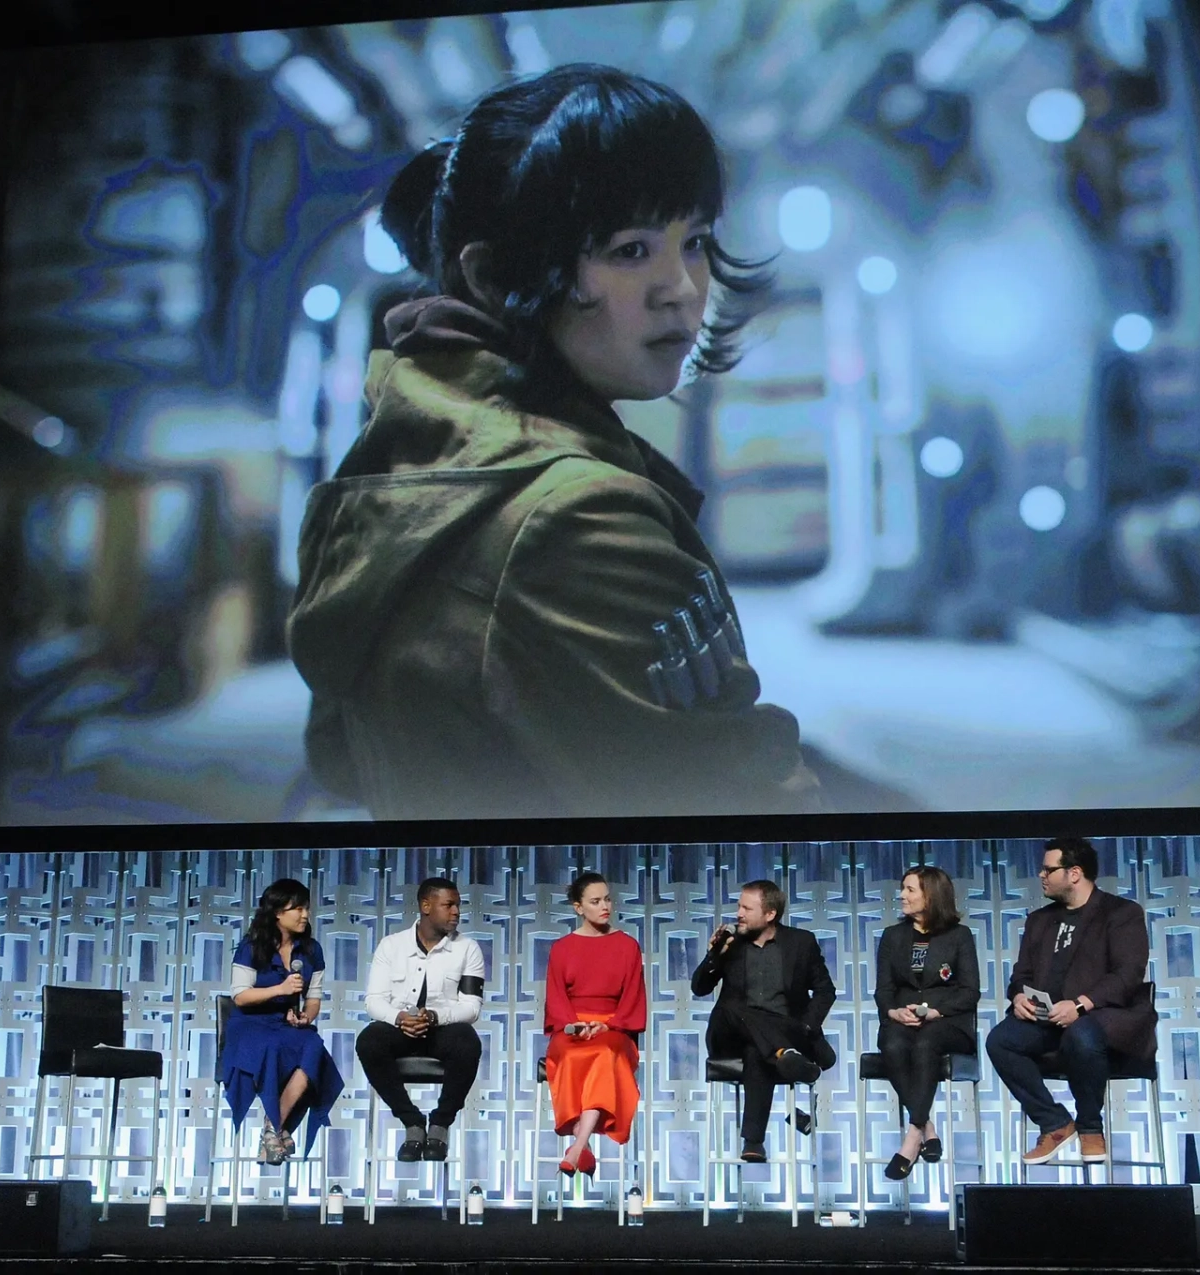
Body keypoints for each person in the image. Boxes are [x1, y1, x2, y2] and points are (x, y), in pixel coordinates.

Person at [286, 63, 820, 821]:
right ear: (499, 277)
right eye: (631, 250)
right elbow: (743, 821)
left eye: (694, 240)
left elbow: (338, 756)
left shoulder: (400, 456)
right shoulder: (573, 520)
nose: (683, 286)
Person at [984, 836, 1157, 1165]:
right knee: (1001, 1040)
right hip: (1049, 1019)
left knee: (1082, 1034)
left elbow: (1128, 974)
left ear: (1075, 873)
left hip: (1106, 1019)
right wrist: (1019, 995)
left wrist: (1080, 1004)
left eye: (1049, 869)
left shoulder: (1121, 913)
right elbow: (1021, 974)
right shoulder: (1040, 920)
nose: (1042, 876)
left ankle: (1091, 1125)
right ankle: (1055, 1123)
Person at [690, 879, 836, 1162]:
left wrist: (806, 1027)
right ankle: (785, 1053)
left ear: (770, 914)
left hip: (781, 1032)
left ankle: (753, 1141)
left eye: (747, 908)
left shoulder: (800, 942)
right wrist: (713, 956)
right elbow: (699, 988)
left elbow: (824, 990)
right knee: (731, 1009)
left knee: (757, 1050)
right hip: (729, 1033)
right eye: (739, 906)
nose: (739, 913)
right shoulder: (730, 943)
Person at [355, 877, 487, 1163]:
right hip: (400, 1029)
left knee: (467, 1041)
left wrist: (437, 1016)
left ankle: (439, 1126)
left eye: (458, 905)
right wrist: (400, 1018)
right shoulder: (391, 946)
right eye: (448, 905)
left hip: (442, 1031)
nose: (456, 912)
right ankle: (412, 1123)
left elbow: (472, 1008)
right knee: (369, 1040)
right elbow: (374, 1000)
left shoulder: (468, 948)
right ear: (426, 906)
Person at [223, 880, 345, 1164]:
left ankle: (271, 1126)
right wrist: (280, 990)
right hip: (250, 1026)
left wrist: (306, 1016)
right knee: (277, 1047)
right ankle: (280, 1129)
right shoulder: (251, 947)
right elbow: (240, 996)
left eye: (307, 909)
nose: (305, 915)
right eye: (298, 909)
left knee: (313, 1045)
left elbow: (313, 999)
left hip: (286, 1025)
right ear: (277, 912)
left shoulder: (311, 950)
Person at [874, 866, 980, 1180]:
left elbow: (970, 992)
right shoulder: (893, 936)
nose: (902, 896)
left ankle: (911, 1138)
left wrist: (935, 1010)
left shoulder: (959, 936)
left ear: (930, 895)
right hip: (902, 1020)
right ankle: (926, 1127)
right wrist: (893, 1012)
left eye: (910, 890)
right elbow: (883, 990)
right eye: (903, 888)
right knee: (893, 1043)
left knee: (926, 1042)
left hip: (948, 1023)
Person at [543, 871, 647, 1174]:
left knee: (604, 1054)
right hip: (572, 1028)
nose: (605, 906)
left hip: (614, 1029)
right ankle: (582, 1146)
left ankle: (577, 1147)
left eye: (607, 899)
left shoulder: (627, 946)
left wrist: (610, 1024)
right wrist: (573, 1025)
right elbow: (556, 998)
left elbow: (633, 997)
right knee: (571, 1052)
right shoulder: (562, 948)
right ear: (579, 908)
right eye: (595, 901)